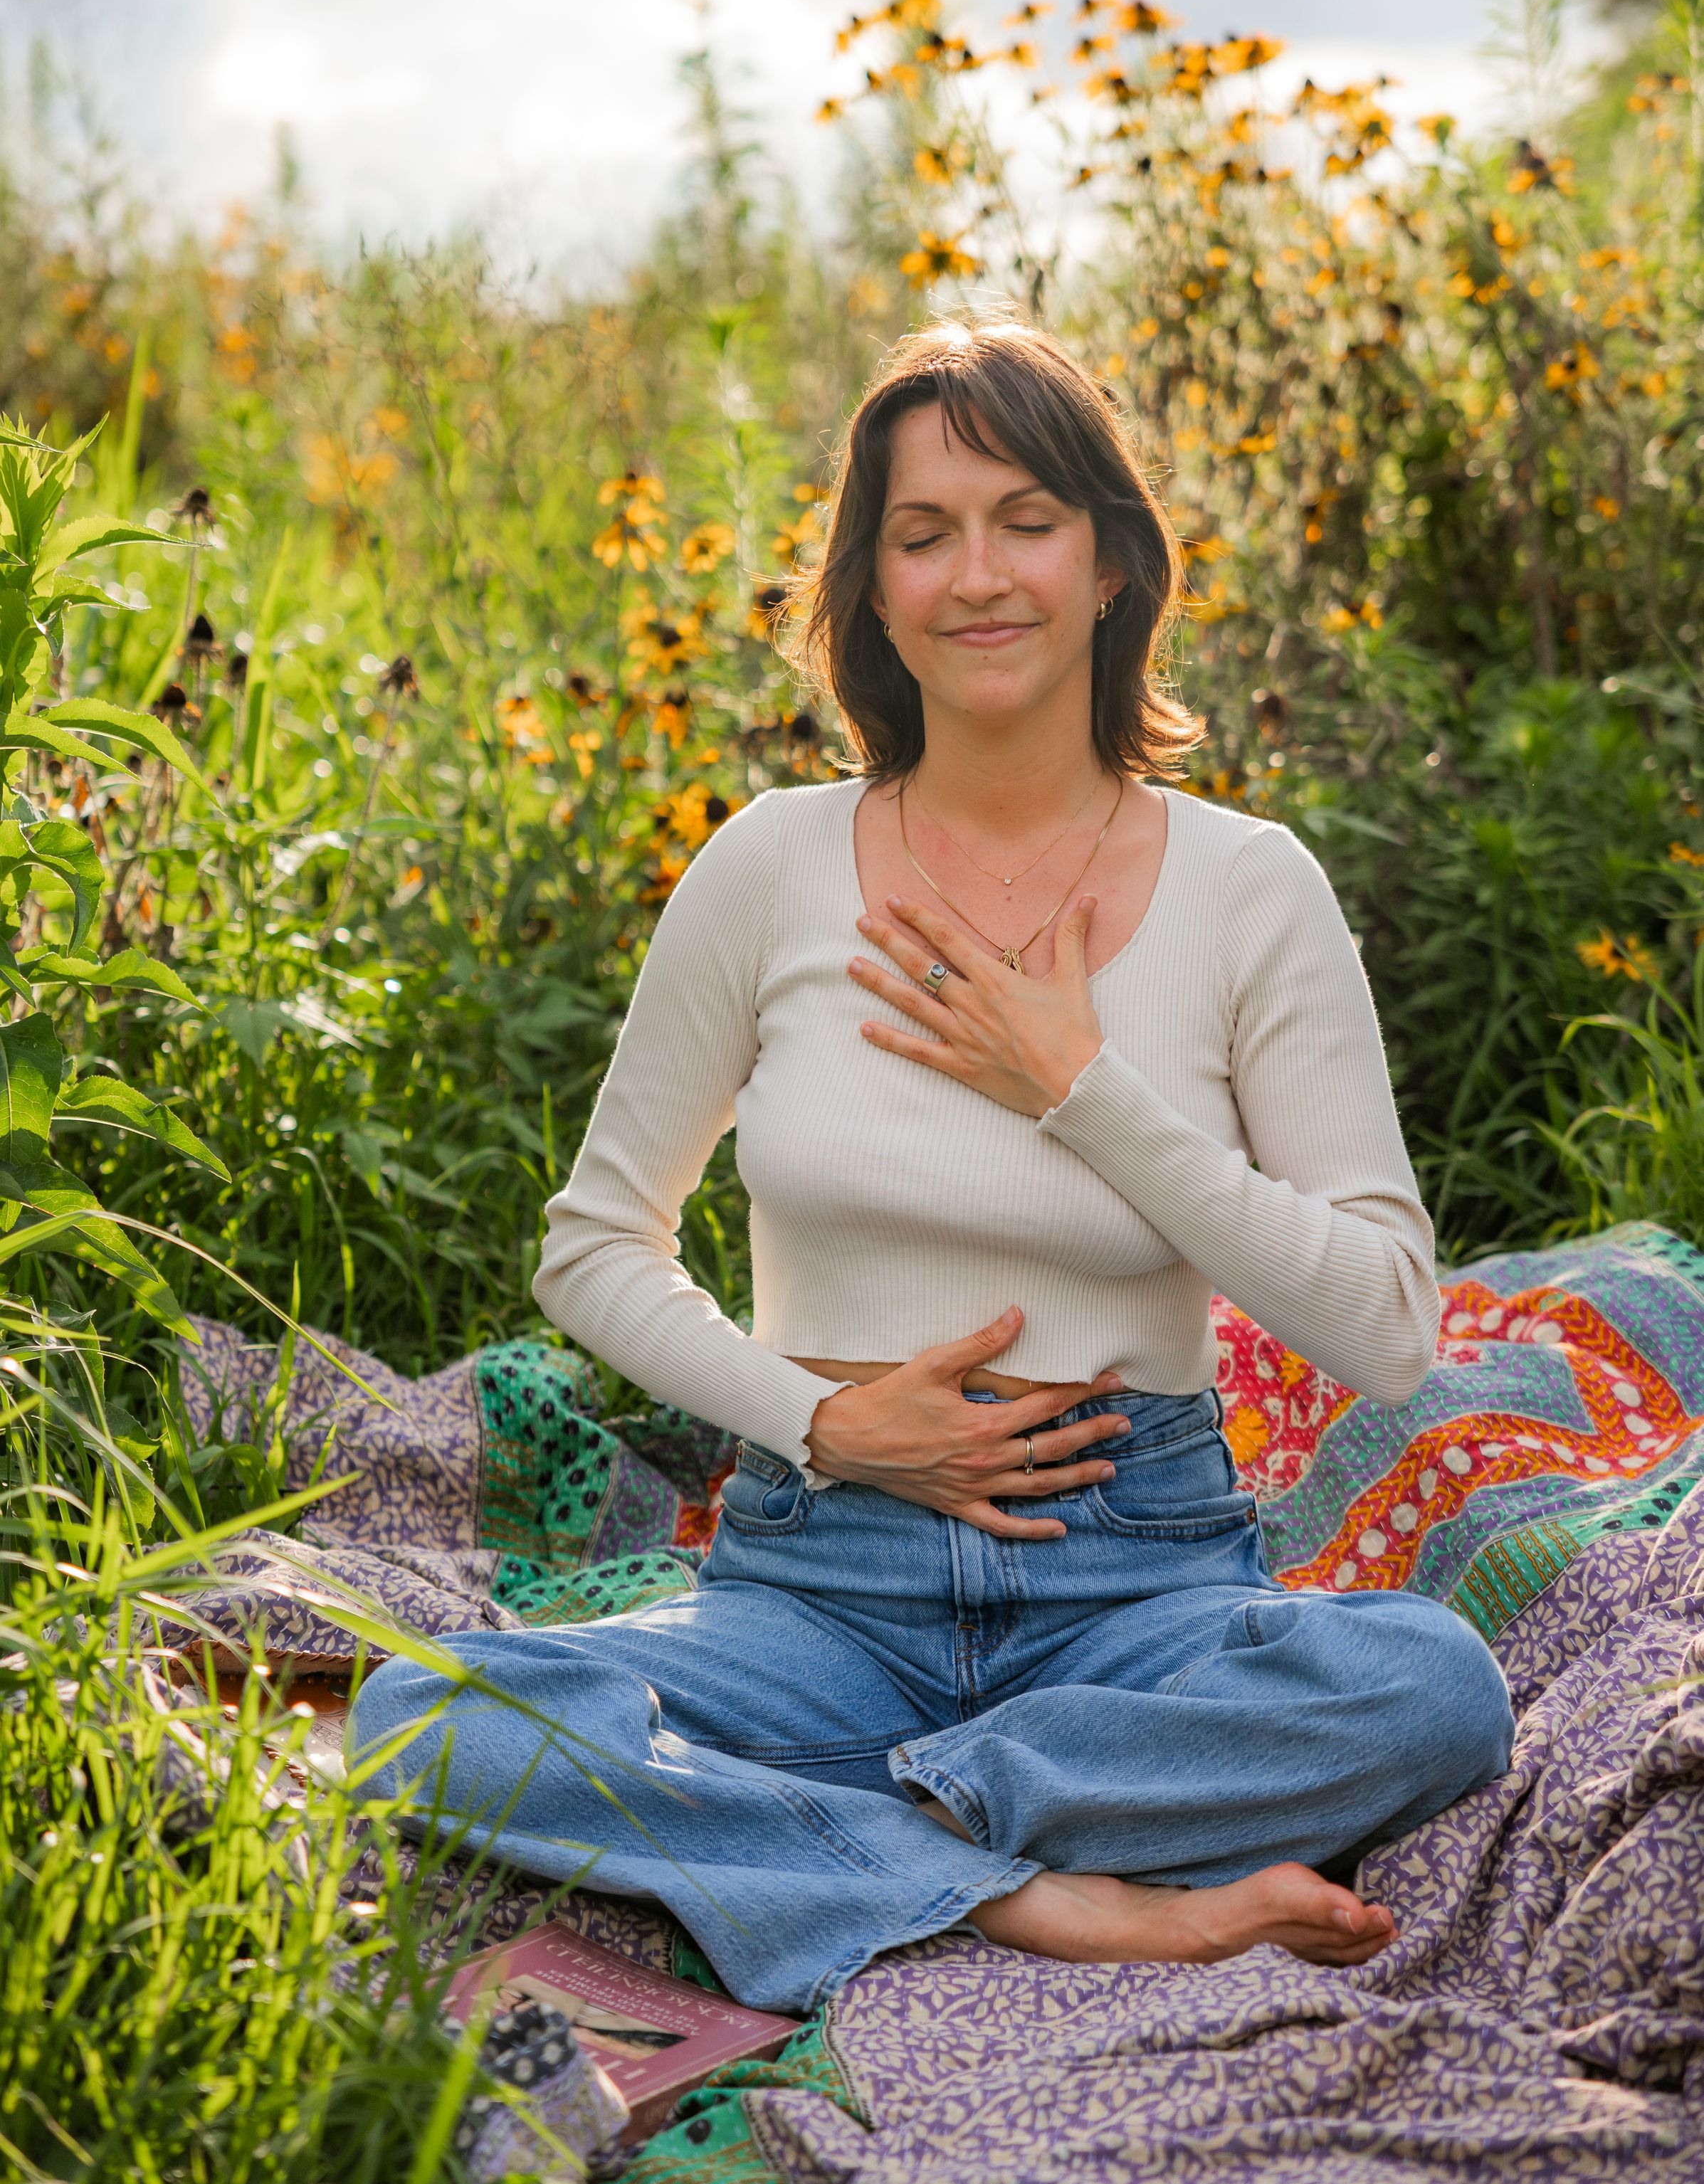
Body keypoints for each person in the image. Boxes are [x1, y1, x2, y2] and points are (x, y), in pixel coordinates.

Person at [351, 320, 1513, 2016]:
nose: (980, 573)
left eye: (1025, 516)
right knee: (431, 1715)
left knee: (1433, 1690)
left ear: (1114, 558)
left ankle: (871, 1829)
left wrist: (1083, 1084)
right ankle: (1049, 1892)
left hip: (1138, 1586)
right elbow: (596, 1246)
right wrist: (819, 1422)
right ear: (871, 590)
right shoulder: (771, 865)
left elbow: (1390, 1330)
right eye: (923, 531)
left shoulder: (1251, 891)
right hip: (824, 1576)